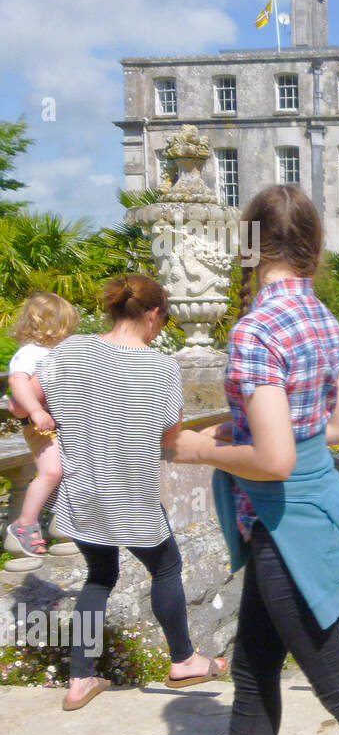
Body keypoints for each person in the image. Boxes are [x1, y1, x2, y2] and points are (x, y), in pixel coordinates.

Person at [172, 187, 339, 735]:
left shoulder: (256, 331)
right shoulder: (320, 318)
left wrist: (199, 450)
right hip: (309, 515)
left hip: (285, 530)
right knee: (251, 677)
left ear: (248, 244)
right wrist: (245, 428)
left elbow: (273, 460)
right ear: (312, 244)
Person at [36, 274, 226, 712]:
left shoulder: (69, 351)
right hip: (132, 491)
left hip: (82, 489)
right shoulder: (160, 367)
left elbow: (36, 397)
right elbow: (169, 437)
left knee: (99, 577)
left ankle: (80, 679)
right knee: (166, 567)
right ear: (154, 314)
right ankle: (183, 660)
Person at [5, 291, 79, 556]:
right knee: (51, 472)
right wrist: (36, 411)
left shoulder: (54, 353)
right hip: (41, 426)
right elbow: (17, 384)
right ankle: (24, 524)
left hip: (58, 424)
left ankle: (65, 518)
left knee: (68, 472)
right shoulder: (30, 353)